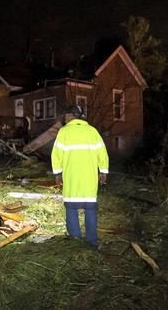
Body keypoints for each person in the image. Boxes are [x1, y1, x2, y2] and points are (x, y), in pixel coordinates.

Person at [51, 105, 109, 247]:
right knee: (90, 209)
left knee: (71, 208)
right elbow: (102, 153)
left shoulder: (64, 132)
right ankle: (92, 241)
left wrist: (58, 174)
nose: (64, 117)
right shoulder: (92, 132)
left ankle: (75, 240)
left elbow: (56, 155)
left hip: (72, 179)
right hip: (89, 180)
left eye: (66, 115)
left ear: (70, 115)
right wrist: (103, 172)